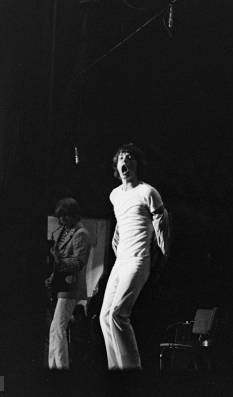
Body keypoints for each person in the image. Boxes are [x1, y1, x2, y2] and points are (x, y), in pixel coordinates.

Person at [99, 142, 169, 370]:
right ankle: (115, 369)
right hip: (122, 261)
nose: (125, 161)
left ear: (137, 164)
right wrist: (116, 247)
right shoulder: (115, 195)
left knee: (118, 314)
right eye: (121, 158)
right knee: (104, 317)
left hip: (139, 260)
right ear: (116, 166)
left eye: (130, 158)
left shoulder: (148, 192)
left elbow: (162, 226)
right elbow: (121, 224)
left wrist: (163, 257)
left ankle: (131, 370)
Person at [46, 197, 91, 370]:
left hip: (71, 288)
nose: (61, 221)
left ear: (72, 215)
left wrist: (57, 260)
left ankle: (61, 369)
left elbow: (78, 262)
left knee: (57, 329)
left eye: (64, 217)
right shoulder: (69, 232)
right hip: (62, 288)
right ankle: (54, 367)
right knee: (55, 330)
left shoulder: (81, 234)